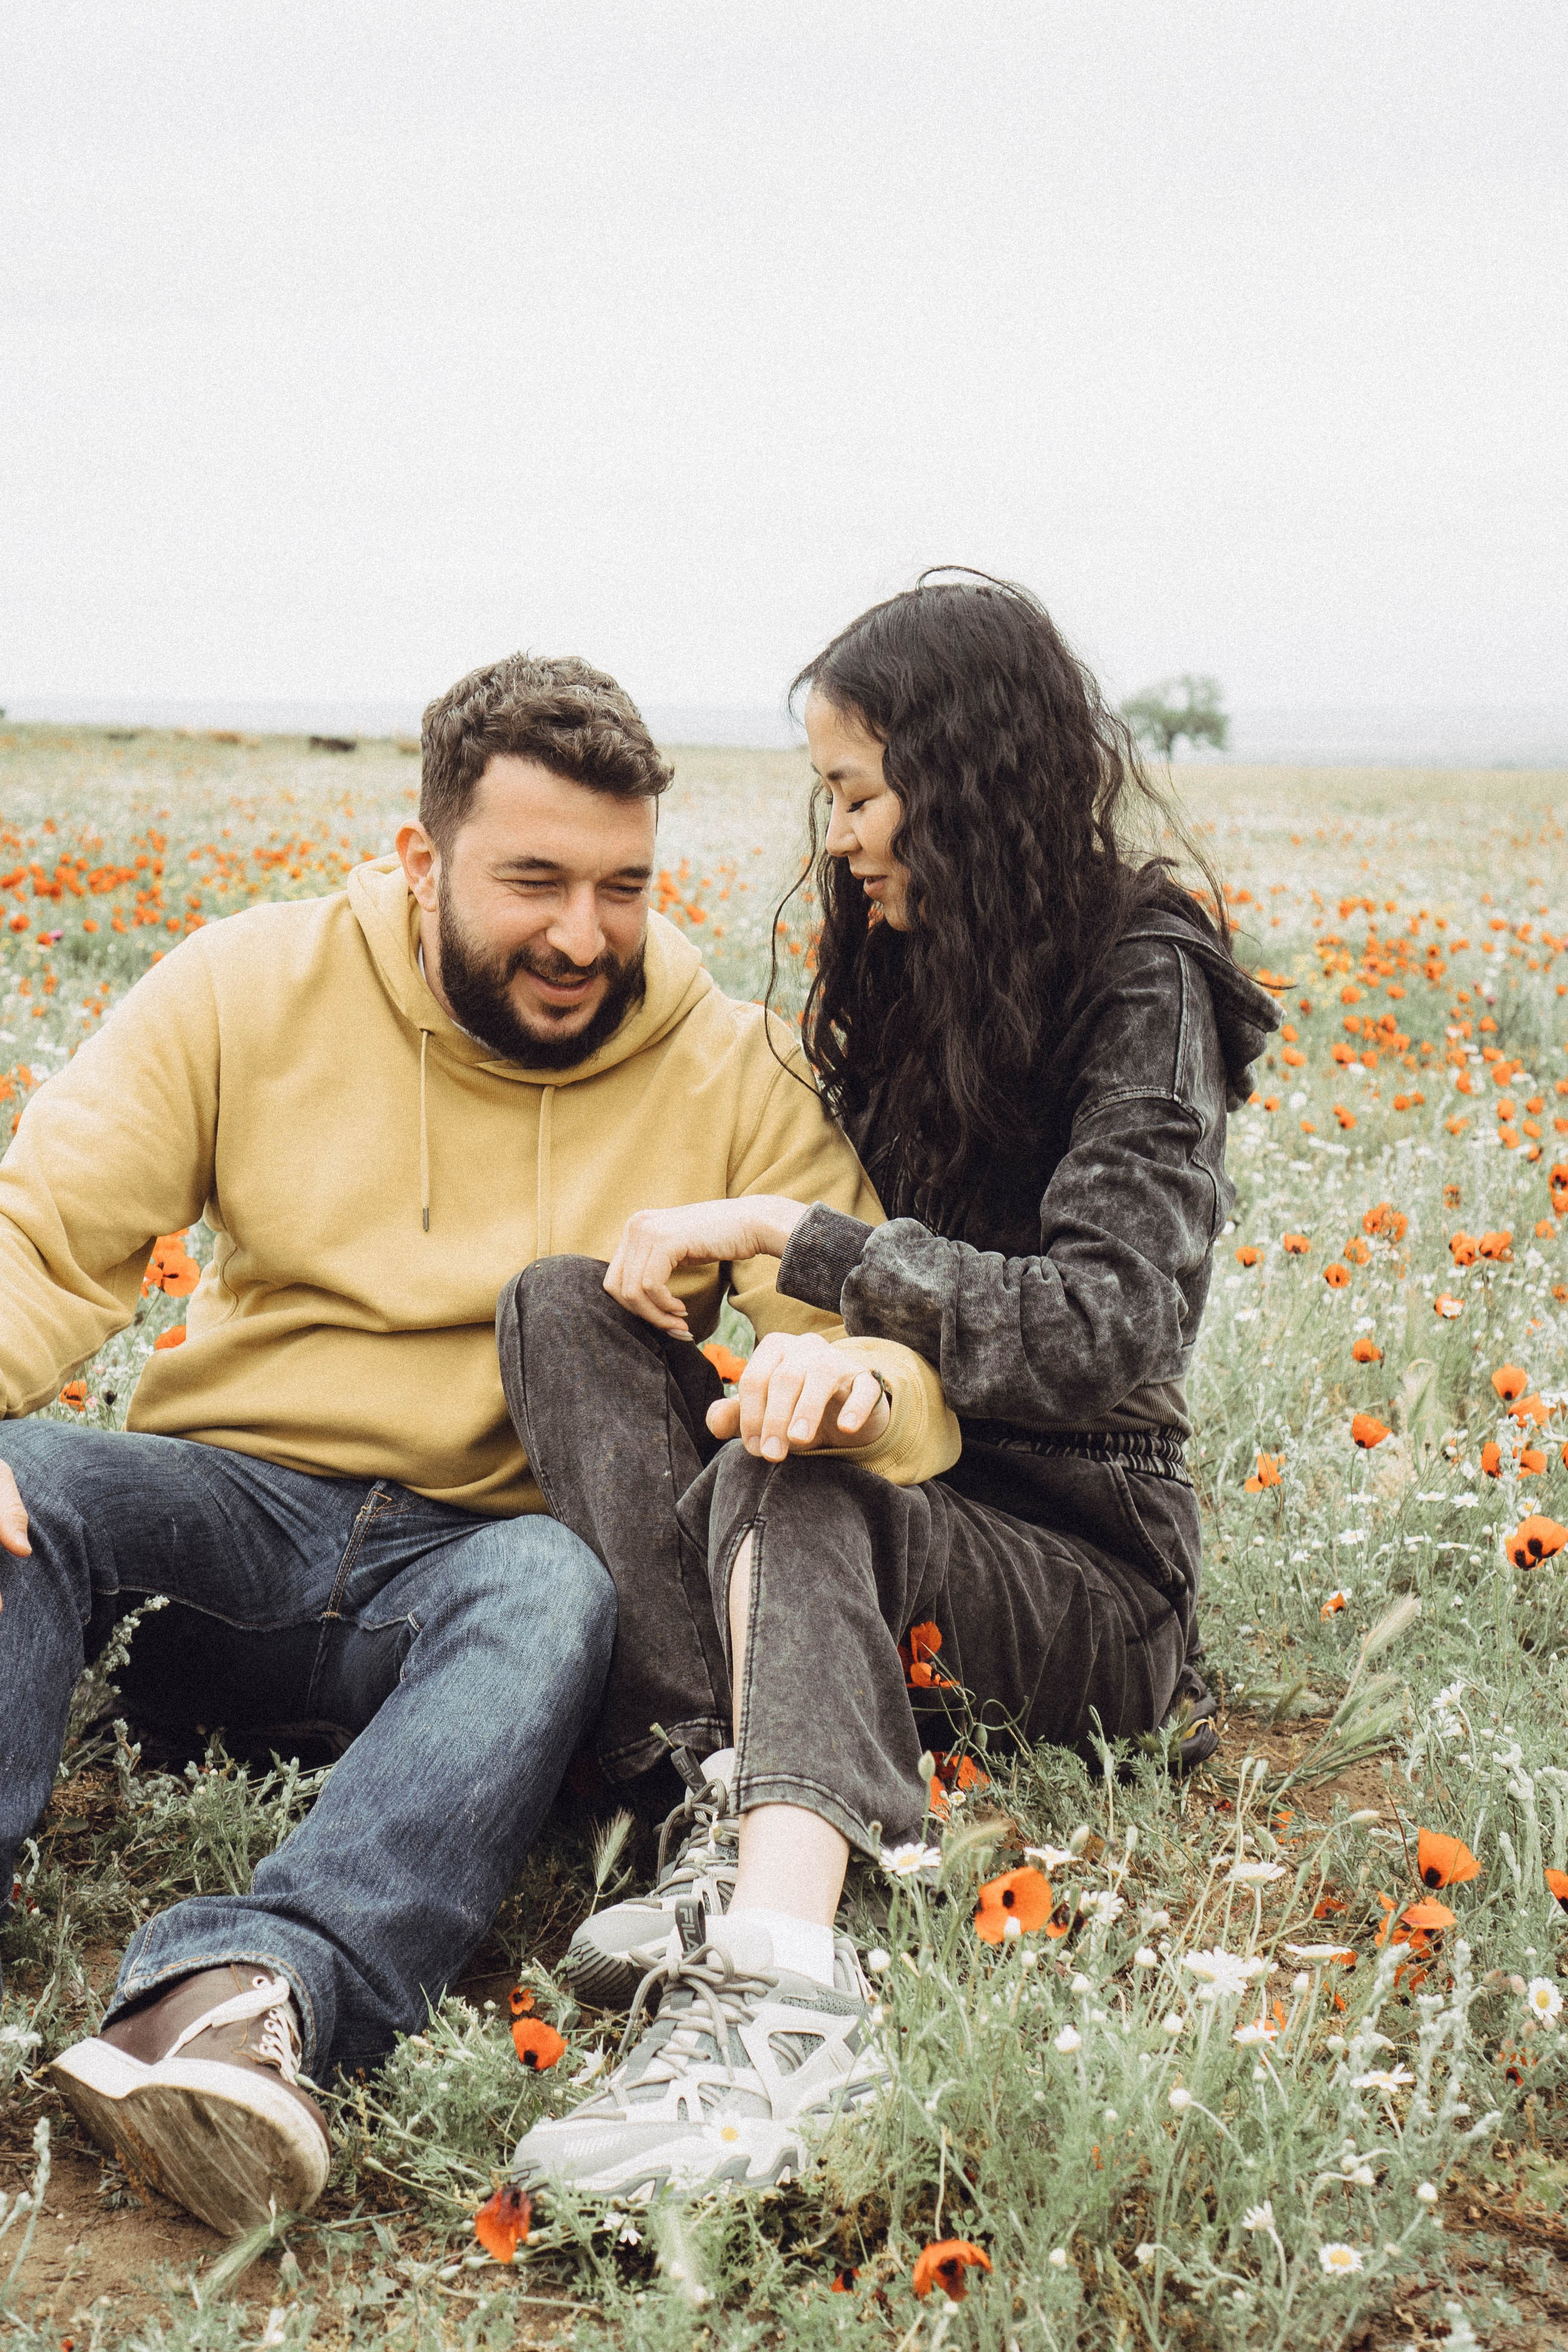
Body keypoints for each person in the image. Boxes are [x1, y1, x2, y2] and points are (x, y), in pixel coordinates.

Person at [0, 652, 955, 2237]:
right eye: (533, 882)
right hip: (226, 1515)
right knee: (24, 1481)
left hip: (481, 1576)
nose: (582, 935)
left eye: (623, 887)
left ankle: (247, 1996)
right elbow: (41, 1235)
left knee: (553, 1587)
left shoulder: (728, 1063)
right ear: (422, 859)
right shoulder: (247, 985)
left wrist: (846, 1382)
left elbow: (867, 1334)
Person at [500, 575, 1282, 2204]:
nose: (843, 836)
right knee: (564, 1309)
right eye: (831, 795)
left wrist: (800, 1245)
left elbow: (1116, 1326)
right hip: (904, 1499)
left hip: (1081, 1561)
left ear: (963, 777)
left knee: (803, 1466)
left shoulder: (1144, 975)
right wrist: (754, 1293)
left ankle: (784, 1990)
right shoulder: (915, 964)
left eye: (858, 793)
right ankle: (722, 1801)